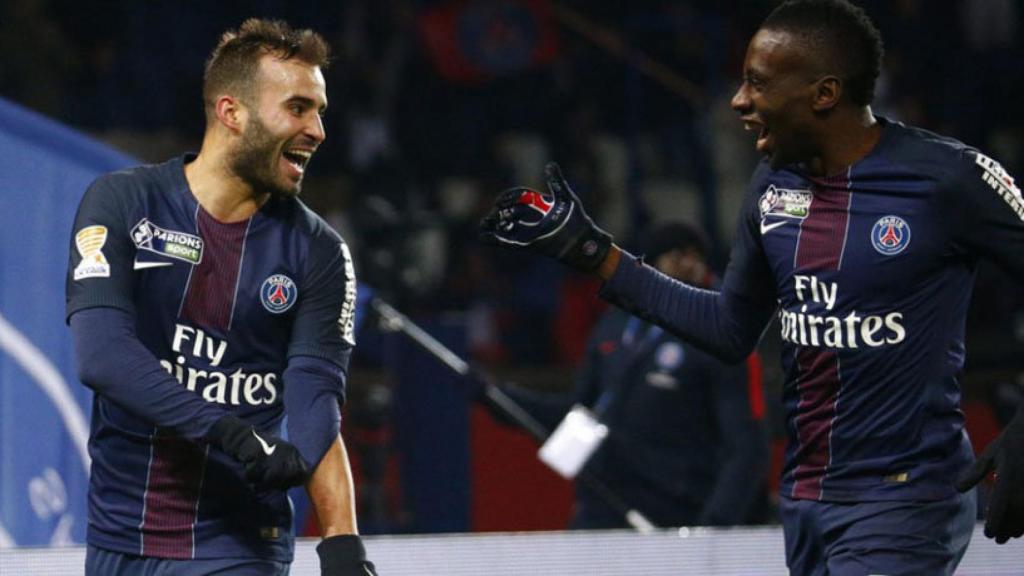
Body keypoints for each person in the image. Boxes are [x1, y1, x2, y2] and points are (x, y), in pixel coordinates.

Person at [480, 0, 1024, 573]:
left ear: (824, 94)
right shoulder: (773, 186)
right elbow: (730, 328)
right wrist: (595, 255)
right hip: (807, 500)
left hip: (905, 499)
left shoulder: (950, 179)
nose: (739, 102)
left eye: (758, 83)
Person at [65, 19, 376, 576]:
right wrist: (233, 435)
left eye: (320, 111)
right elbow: (104, 356)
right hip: (118, 539)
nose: (318, 130)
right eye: (299, 108)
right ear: (232, 112)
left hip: (238, 547)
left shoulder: (319, 253)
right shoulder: (123, 203)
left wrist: (342, 544)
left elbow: (314, 405)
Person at [491, 221, 770, 529]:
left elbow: (746, 445)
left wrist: (715, 526)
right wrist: (500, 398)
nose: (690, 263)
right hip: (604, 504)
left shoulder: (722, 335)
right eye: (677, 254)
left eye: (696, 255)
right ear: (650, 263)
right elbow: (580, 411)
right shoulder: (615, 325)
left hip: (675, 510)